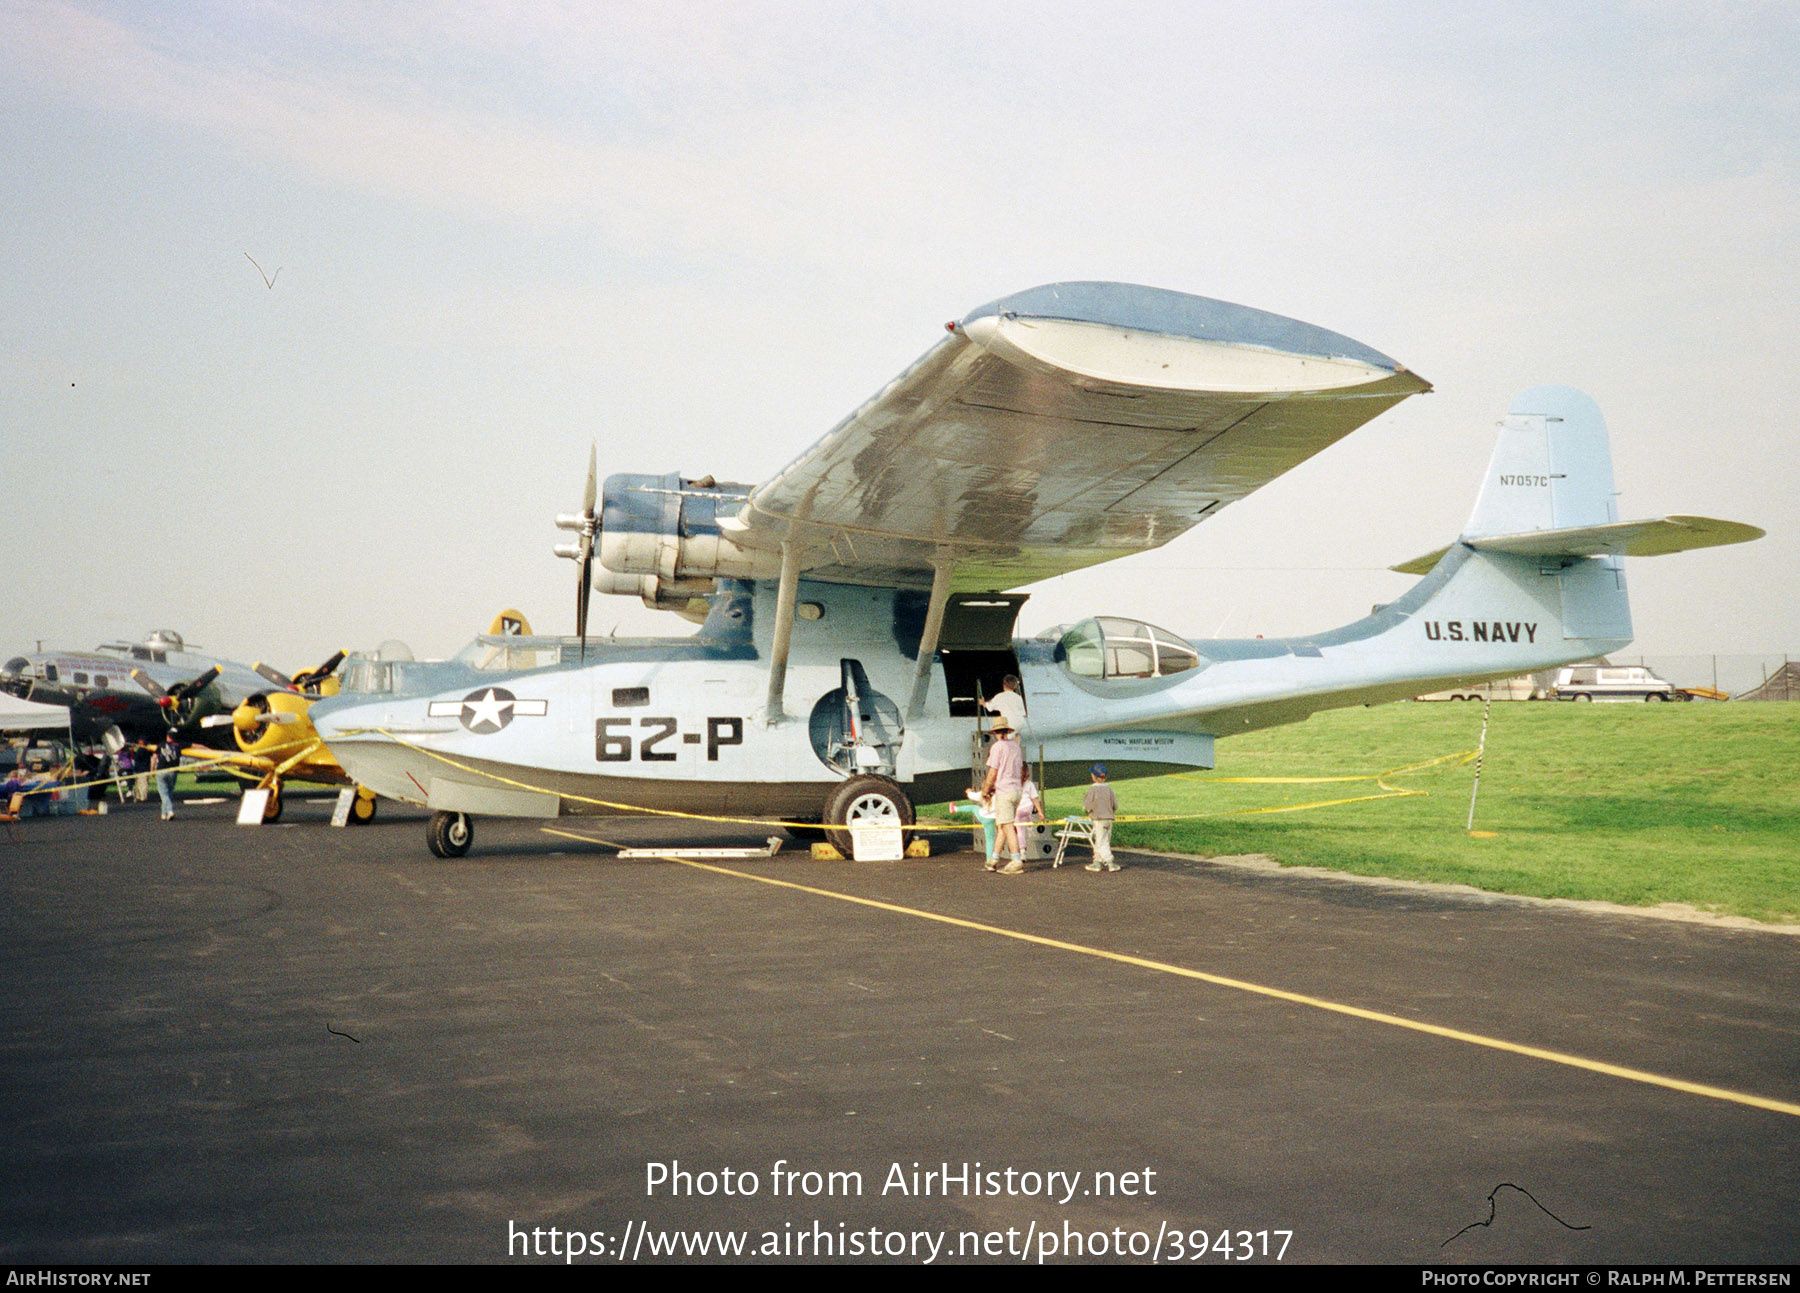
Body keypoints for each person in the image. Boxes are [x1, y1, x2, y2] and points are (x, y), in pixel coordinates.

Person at [978, 719, 1026, 874]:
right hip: (1016, 789)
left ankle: (1016, 860)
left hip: (1004, 791)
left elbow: (992, 772)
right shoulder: (1016, 747)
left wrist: (985, 790)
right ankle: (993, 860)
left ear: (995, 733)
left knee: (1007, 826)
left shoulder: (997, 747)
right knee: (1003, 826)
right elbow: (1019, 769)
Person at [1082, 763, 1120, 872]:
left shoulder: (1092, 789)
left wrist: (1088, 811)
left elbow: (1087, 805)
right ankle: (1097, 862)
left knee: (1101, 841)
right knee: (1103, 840)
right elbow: (1115, 805)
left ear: (1094, 776)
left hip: (1098, 819)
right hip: (1109, 819)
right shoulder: (1109, 789)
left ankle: (1109, 862)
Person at [983, 675, 1028, 741]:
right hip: (1020, 723)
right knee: (1016, 738)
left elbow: (989, 707)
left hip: (1009, 723)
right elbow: (1023, 713)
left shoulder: (1000, 696)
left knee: (1005, 740)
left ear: (1004, 684)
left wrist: (983, 703)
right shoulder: (1018, 697)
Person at [152, 729, 183, 821]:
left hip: (161, 771)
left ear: (167, 736)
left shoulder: (161, 745)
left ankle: (169, 811)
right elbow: (195, 745)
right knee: (169, 793)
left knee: (163, 793)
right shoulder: (179, 745)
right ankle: (163, 813)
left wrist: (152, 770)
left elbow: (154, 758)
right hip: (173, 771)